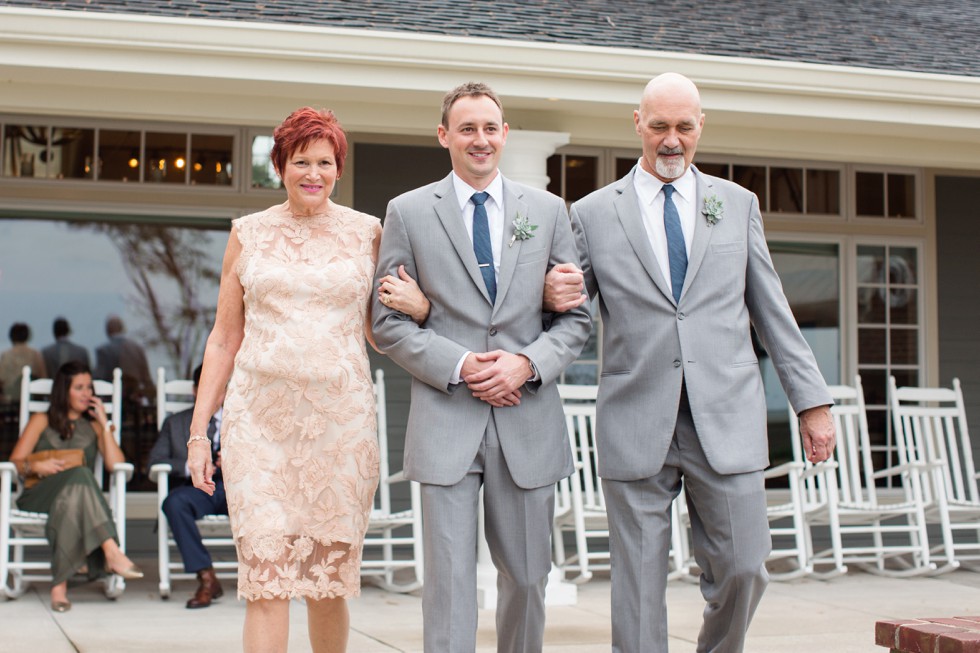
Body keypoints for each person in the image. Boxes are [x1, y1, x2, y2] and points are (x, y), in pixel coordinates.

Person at [543, 72, 836, 653]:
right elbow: (571, 312)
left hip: (726, 418)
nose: (670, 139)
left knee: (745, 568)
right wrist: (546, 311)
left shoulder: (737, 205)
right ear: (637, 125)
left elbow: (772, 310)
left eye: (683, 126)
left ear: (701, 125)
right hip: (635, 418)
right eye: (658, 127)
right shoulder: (594, 213)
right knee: (637, 590)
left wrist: (813, 402)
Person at [186, 107, 425, 653]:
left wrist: (422, 307)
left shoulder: (368, 233)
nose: (312, 173)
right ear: (281, 166)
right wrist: (201, 432)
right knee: (266, 580)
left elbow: (381, 331)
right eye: (300, 161)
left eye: (324, 161)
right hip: (258, 426)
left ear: (338, 168)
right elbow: (224, 339)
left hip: (339, 430)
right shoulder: (247, 234)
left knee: (325, 582)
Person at [372, 82, 593, 653]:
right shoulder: (409, 211)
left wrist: (525, 363)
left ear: (505, 134)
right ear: (444, 135)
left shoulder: (547, 212)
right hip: (446, 421)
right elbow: (387, 322)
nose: (480, 139)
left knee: (526, 578)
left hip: (527, 420)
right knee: (448, 587)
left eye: (490, 128)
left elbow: (576, 320)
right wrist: (464, 363)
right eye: (467, 128)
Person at [8, 361, 143, 613]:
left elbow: (117, 465)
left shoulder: (93, 426)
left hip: (74, 502)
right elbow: (15, 461)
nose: (87, 393)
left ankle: (59, 587)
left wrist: (104, 423)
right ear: (63, 390)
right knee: (80, 475)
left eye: (89, 387)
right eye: (79, 387)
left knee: (74, 492)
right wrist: (38, 466)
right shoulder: (40, 420)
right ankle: (111, 550)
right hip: (39, 495)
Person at [148, 363, 227, 609]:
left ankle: (262, 575)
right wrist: (191, 465)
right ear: (196, 391)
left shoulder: (244, 422)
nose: (215, 394)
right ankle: (206, 578)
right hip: (197, 489)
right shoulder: (176, 423)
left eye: (220, 388)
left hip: (234, 490)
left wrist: (236, 460)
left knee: (264, 498)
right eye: (207, 388)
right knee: (173, 502)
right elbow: (155, 461)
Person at [94, 315, 155, 403]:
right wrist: (152, 401)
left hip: (112, 400)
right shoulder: (137, 348)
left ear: (107, 331)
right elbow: (147, 378)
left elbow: (99, 378)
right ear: (122, 328)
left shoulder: (103, 350)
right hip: (135, 401)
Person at [0, 322, 47, 403]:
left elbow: (1, 380)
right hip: (30, 399)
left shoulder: (5, 355)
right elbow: (43, 378)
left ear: (11, 336)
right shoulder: (35, 354)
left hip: (9, 401)